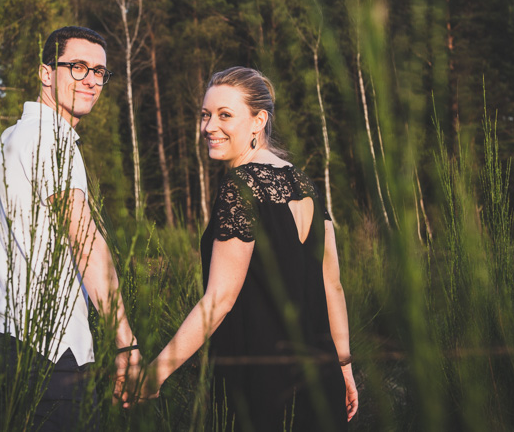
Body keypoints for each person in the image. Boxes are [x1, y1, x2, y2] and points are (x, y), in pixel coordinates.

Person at [132, 66, 359, 431]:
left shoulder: (242, 186)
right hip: (321, 382)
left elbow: (219, 299)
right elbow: (332, 286)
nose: (209, 126)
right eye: (205, 115)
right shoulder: (304, 183)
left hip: (262, 389)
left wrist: (156, 373)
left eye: (225, 115)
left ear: (258, 121)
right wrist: (344, 366)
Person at [0, 26, 140, 431]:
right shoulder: (49, 139)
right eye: (78, 67)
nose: (91, 80)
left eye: (100, 72)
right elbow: (84, 241)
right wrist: (126, 341)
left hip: (3, 341)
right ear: (46, 72)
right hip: (46, 350)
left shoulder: (11, 137)